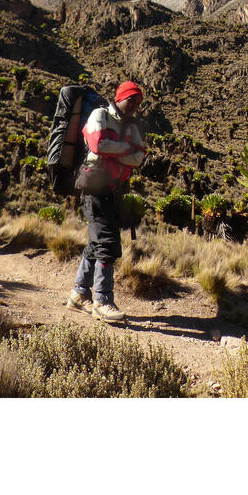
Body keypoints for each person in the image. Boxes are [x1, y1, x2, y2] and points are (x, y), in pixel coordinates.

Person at [67, 80, 146, 323]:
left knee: (97, 241)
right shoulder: (99, 115)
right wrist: (126, 150)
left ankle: (79, 294)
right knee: (106, 241)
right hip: (93, 185)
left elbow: (140, 156)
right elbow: (97, 144)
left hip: (113, 190)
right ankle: (102, 300)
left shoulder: (132, 126)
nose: (133, 104)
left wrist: (120, 150)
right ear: (119, 97)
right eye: (130, 98)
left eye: (137, 101)